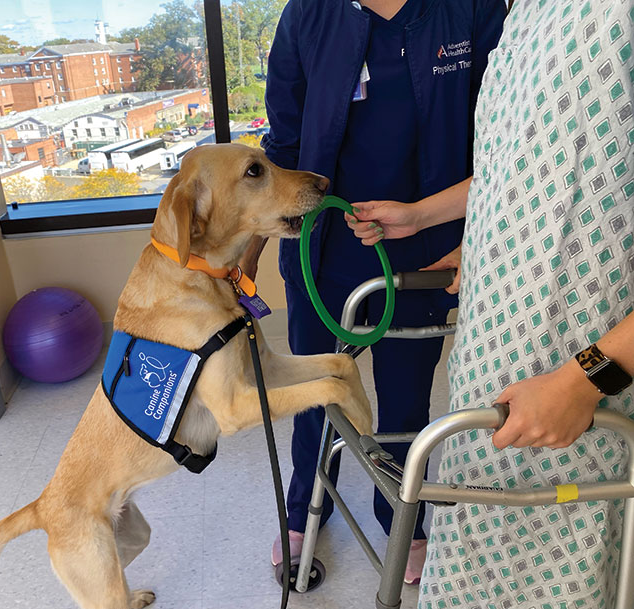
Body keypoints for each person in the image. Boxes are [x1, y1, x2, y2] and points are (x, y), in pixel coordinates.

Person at [351, 0, 634, 605]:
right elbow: (523, 162)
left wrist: (584, 382)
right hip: (490, 380)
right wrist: (463, 230)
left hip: (582, 402)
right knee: (470, 570)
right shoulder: (525, 14)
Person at [244, 0, 507, 584]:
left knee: (406, 400)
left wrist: (474, 240)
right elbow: (283, 147)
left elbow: (503, 141)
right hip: (323, 254)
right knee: (315, 394)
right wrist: (242, 261)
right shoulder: (308, 15)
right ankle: (300, 513)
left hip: (425, 255)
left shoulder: (471, 11)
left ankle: (401, 517)